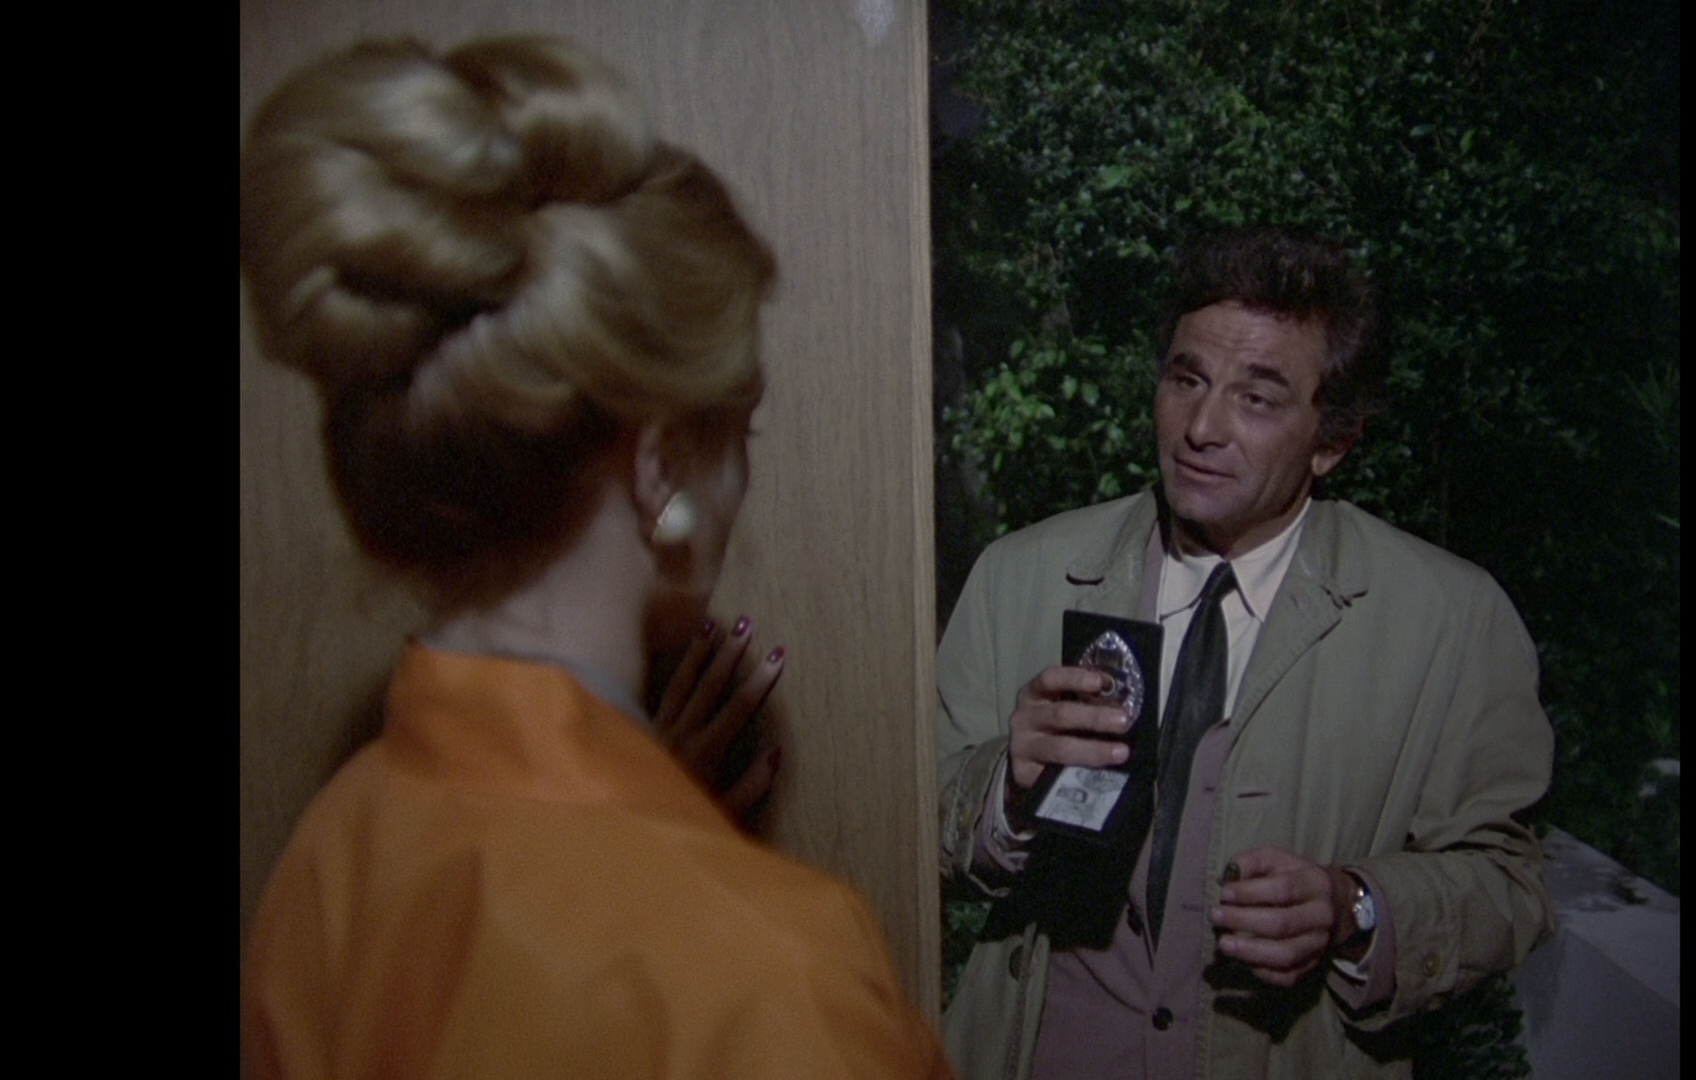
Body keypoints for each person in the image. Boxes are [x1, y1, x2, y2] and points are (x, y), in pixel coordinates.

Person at [240, 35, 951, 1080]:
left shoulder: (333, 850)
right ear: (661, 464)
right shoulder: (775, 970)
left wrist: (645, 816)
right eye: (741, 426)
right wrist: (669, 870)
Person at [937, 228, 1554, 1079]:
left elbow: (1510, 884)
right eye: (1186, 380)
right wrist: (1005, 788)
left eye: (1257, 399)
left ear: (1332, 441)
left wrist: (1354, 906)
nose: (1201, 427)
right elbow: (911, 820)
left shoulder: (1451, 621)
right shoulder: (1021, 577)